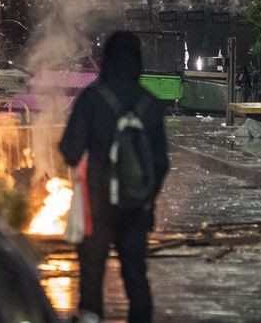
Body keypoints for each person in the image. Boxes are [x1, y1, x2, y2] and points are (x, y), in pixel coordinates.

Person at [60, 31, 169, 323]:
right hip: (137, 209)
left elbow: (70, 150)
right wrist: (145, 198)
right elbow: (161, 163)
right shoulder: (152, 104)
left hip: (98, 208)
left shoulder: (92, 99)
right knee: (136, 278)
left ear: (106, 59)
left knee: (92, 278)